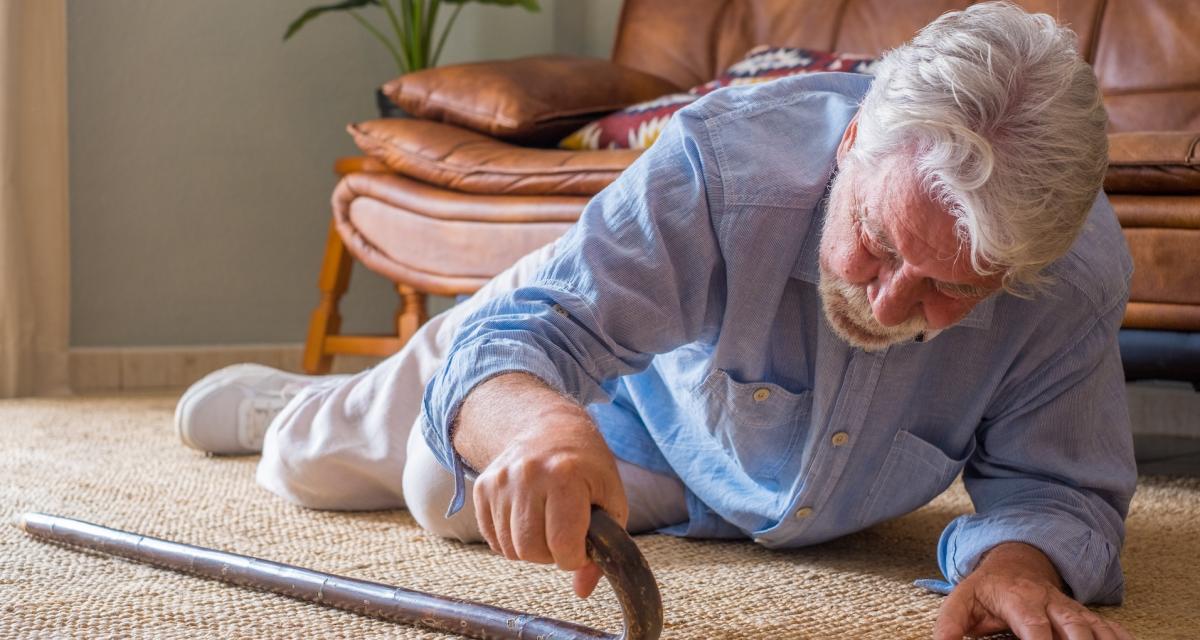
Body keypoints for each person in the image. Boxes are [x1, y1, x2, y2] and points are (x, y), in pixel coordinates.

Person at [175, 4, 1136, 638]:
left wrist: (1020, 565)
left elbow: (1060, 487)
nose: (891, 307)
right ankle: (304, 407)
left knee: (467, 506)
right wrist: (542, 419)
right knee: (412, 479)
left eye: (948, 290)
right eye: (880, 243)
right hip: (629, 397)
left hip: (716, 483)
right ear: (851, 141)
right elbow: (530, 339)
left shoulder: (1068, 276)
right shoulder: (724, 166)